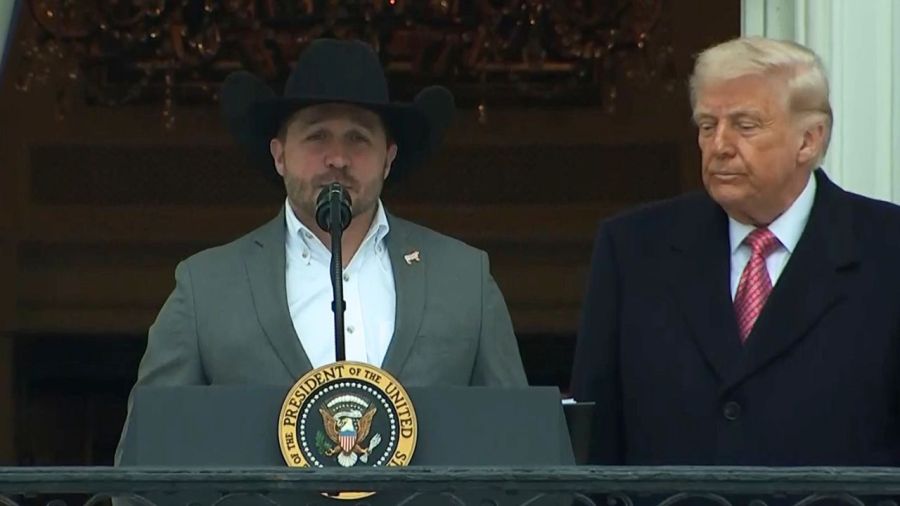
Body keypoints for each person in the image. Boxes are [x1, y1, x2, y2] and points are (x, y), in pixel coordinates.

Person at [116, 39, 527, 461]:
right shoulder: (206, 286)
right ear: (279, 155)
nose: (337, 158)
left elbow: (523, 452)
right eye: (316, 137)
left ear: (389, 158)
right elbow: (145, 460)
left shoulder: (464, 279)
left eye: (358, 138)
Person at [570, 36, 900, 466]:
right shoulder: (632, 249)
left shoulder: (887, 249)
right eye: (708, 125)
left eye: (745, 125)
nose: (720, 145)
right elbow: (592, 443)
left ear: (809, 141)